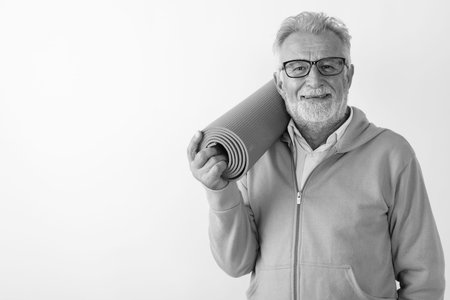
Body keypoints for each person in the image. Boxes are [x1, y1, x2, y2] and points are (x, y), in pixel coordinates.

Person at [187, 11, 445, 300]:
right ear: (280, 82)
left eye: (329, 65)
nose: (314, 80)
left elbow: (425, 278)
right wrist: (221, 191)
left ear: (348, 75)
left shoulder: (392, 154)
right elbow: (237, 264)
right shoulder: (254, 154)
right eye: (297, 67)